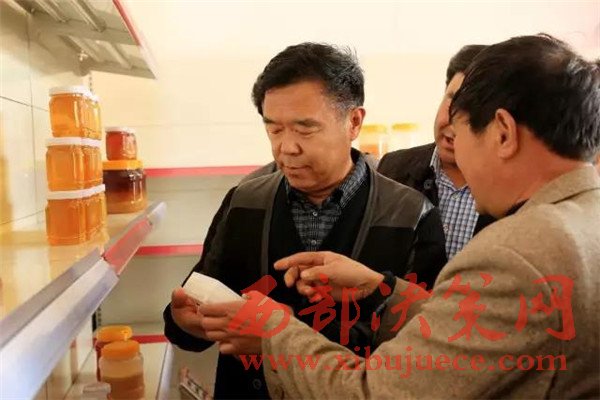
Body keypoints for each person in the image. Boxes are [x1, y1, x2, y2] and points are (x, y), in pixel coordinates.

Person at [199, 34, 600, 399]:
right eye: (274, 129)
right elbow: (486, 330)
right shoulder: (583, 218)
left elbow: (377, 393)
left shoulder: (513, 253)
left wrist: (273, 332)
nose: (457, 158)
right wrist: (381, 290)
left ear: (503, 133)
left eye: (460, 135)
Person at [163, 43, 447, 399]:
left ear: (354, 122)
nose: (287, 147)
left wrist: (278, 337)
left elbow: (424, 343)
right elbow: (202, 298)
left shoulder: (411, 214)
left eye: (305, 129)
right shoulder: (244, 202)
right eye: (274, 130)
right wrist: (186, 323)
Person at [378, 44, 495, 259]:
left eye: (473, 111)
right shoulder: (392, 167)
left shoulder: (508, 188)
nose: (453, 122)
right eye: (452, 99)